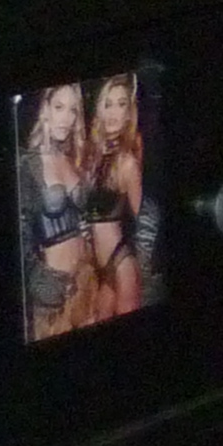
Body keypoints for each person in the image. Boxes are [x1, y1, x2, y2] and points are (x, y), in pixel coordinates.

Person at [19, 82, 93, 342]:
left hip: (85, 279)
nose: (67, 118)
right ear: (45, 109)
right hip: (51, 289)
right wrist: (42, 283)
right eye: (59, 107)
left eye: (73, 110)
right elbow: (20, 238)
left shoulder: (72, 158)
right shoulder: (28, 164)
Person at [82, 71, 152, 325]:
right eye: (108, 104)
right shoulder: (93, 155)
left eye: (121, 104)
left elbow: (143, 219)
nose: (113, 112)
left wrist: (144, 269)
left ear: (128, 113)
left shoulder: (127, 163)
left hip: (121, 262)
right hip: (101, 270)